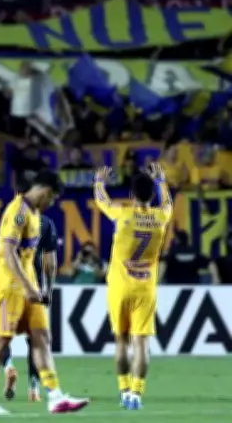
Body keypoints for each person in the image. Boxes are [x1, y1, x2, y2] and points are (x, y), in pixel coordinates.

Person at [0, 169, 87, 416]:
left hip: (27, 286)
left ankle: (55, 397)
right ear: (45, 191)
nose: (52, 203)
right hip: (9, 286)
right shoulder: (17, 212)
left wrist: (38, 287)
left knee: (41, 336)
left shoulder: (34, 213)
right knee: (1, 339)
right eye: (52, 198)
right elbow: (7, 252)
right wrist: (28, 287)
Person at [95, 164, 172, 410]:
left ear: (131, 195)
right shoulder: (160, 217)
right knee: (141, 344)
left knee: (121, 342)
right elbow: (169, 204)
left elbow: (101, 201)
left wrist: (99, 182)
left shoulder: (123, 214)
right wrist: (162, 182)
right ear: (151, 195)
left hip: (119, 286)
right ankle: (136, 394)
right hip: (145, 288)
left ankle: (123, 388)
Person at [0, 214, 59, 403]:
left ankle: (7, 367)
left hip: (6, 284)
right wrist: (48, 289)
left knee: (0, 336)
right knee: (36, 338)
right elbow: (50, 262)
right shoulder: (46, 223)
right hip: (33, 284)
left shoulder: (3, 219)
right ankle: (34, 388)